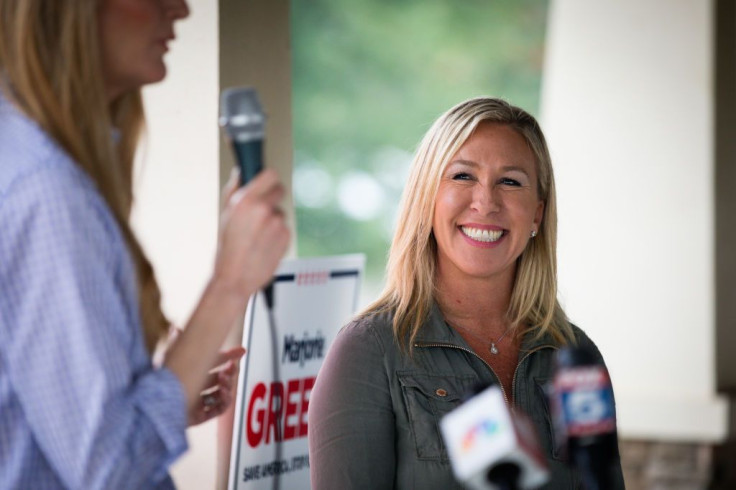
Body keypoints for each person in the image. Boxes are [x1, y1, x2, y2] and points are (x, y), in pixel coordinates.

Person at [0, 0, 289, 488]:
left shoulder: (27, 158)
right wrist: (230, 284)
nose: (180, 11)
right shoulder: (48, 193)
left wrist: (163, 395)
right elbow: (111, 471)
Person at [308, 97, 625, 488]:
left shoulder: (575, 355)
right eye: (462, 176)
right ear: (427, 198)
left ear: (537, 214)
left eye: (510, 181)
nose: (486, 202)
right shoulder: (370, 350)